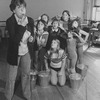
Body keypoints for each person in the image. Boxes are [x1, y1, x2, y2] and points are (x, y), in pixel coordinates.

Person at [5, 0, 35, 100]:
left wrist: (31, 39)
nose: (23, 10)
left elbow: (32, 35)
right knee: (11, 77)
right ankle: (8, 96)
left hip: (26, 51)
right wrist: (22, 26)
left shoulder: (30, 20)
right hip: (14, 53)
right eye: (19, 8)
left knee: (26, 74)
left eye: (24, 7)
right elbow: (14, 40)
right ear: (13, 10)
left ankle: (27, 95)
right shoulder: (10, 21)